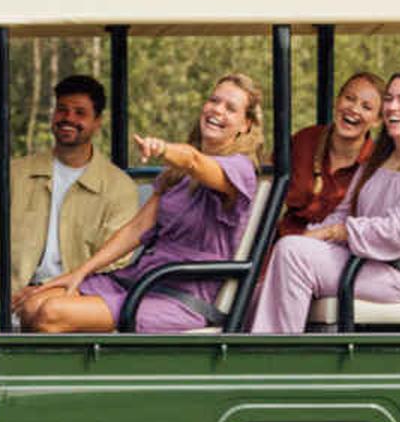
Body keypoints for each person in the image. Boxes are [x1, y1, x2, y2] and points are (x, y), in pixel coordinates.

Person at [17, 73, 266, 333]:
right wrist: (80, 271)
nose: (217, 110)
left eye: (230, 108)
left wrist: (162, 150)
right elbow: (136, 229)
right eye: (214, 100)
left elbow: (194, 161)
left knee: (50, 314)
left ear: (245, 125)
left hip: (179, 296)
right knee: (33, 305)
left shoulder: (240, 170)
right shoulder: (176, 175)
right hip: (141, 280)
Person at [248, 70, 400, 333]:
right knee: (269, 274)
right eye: (389, 99)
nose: (393, 106)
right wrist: (311, 235)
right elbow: (347, 210)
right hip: (363, 260)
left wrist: (337, 232)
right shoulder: (381, 159)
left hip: (395, 272)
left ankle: (277, 359)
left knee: (293, 254)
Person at [0, 75, 142, 304]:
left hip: (78, 298)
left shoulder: (119, 187)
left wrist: (45, 292)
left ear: (97, 122)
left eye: (80, 113)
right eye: (62, 110)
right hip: (10, 294)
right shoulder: (18, 173)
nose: (68, 118)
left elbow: (112, 263)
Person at [272, 70, 385, 247]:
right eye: (349, 98)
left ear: (378, 120)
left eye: (366, 107)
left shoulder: (376, 165)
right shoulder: (305, 140)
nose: (354, 109)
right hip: (283, 241)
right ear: (337, 101)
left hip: (337, 251)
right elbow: (267, 188)